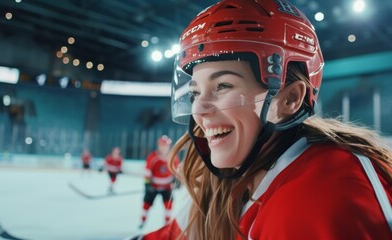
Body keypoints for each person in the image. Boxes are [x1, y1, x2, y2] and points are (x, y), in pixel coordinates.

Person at [132, 0, 392, 239]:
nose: (199, 109)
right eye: (195, 93)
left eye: (223, 85)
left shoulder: (320, 196)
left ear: (289, 99)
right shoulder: (233, 181)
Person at [139, 135, 180, 229]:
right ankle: (142, 221)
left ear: (169, 146)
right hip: (153, 186)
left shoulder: (173, 157)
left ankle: (166, 225)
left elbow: (176, 171)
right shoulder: (153, 156)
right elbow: (147, 171)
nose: (164, 147)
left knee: (169, 205)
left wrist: (177, 181)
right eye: (162, 145)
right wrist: (147, 184)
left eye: (166, 145)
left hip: (167, 187)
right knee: (146, 204)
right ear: (159, 146)